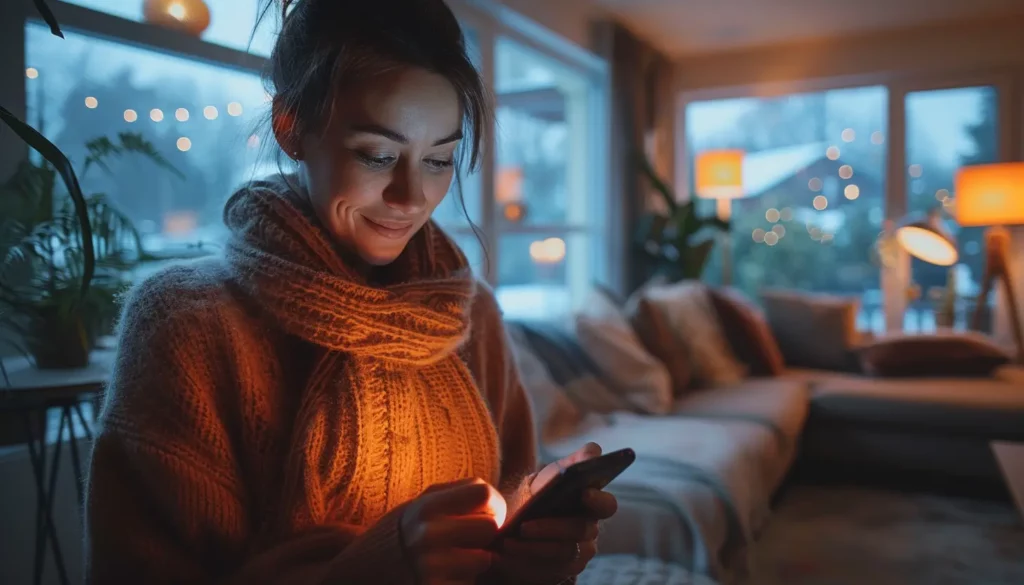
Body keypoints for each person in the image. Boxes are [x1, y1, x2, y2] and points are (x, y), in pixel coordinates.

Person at [83, 0, 618, 583]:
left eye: (439, 160)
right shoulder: (188, 325)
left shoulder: (469, 315)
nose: (411, 197)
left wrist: (536, 552)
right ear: (291, 128)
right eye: (378, 155)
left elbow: (508, 509)